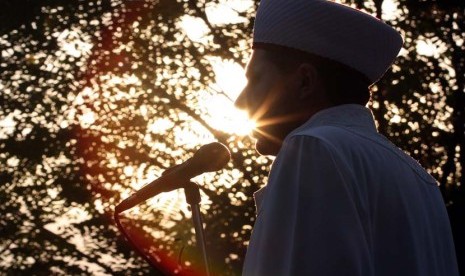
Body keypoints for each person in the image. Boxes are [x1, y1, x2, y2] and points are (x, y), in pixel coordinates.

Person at [234, 0, 460, 275]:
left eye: (255, 79)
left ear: (305, 81)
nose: (240, 102)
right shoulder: (420, 179)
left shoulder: (315, 148)